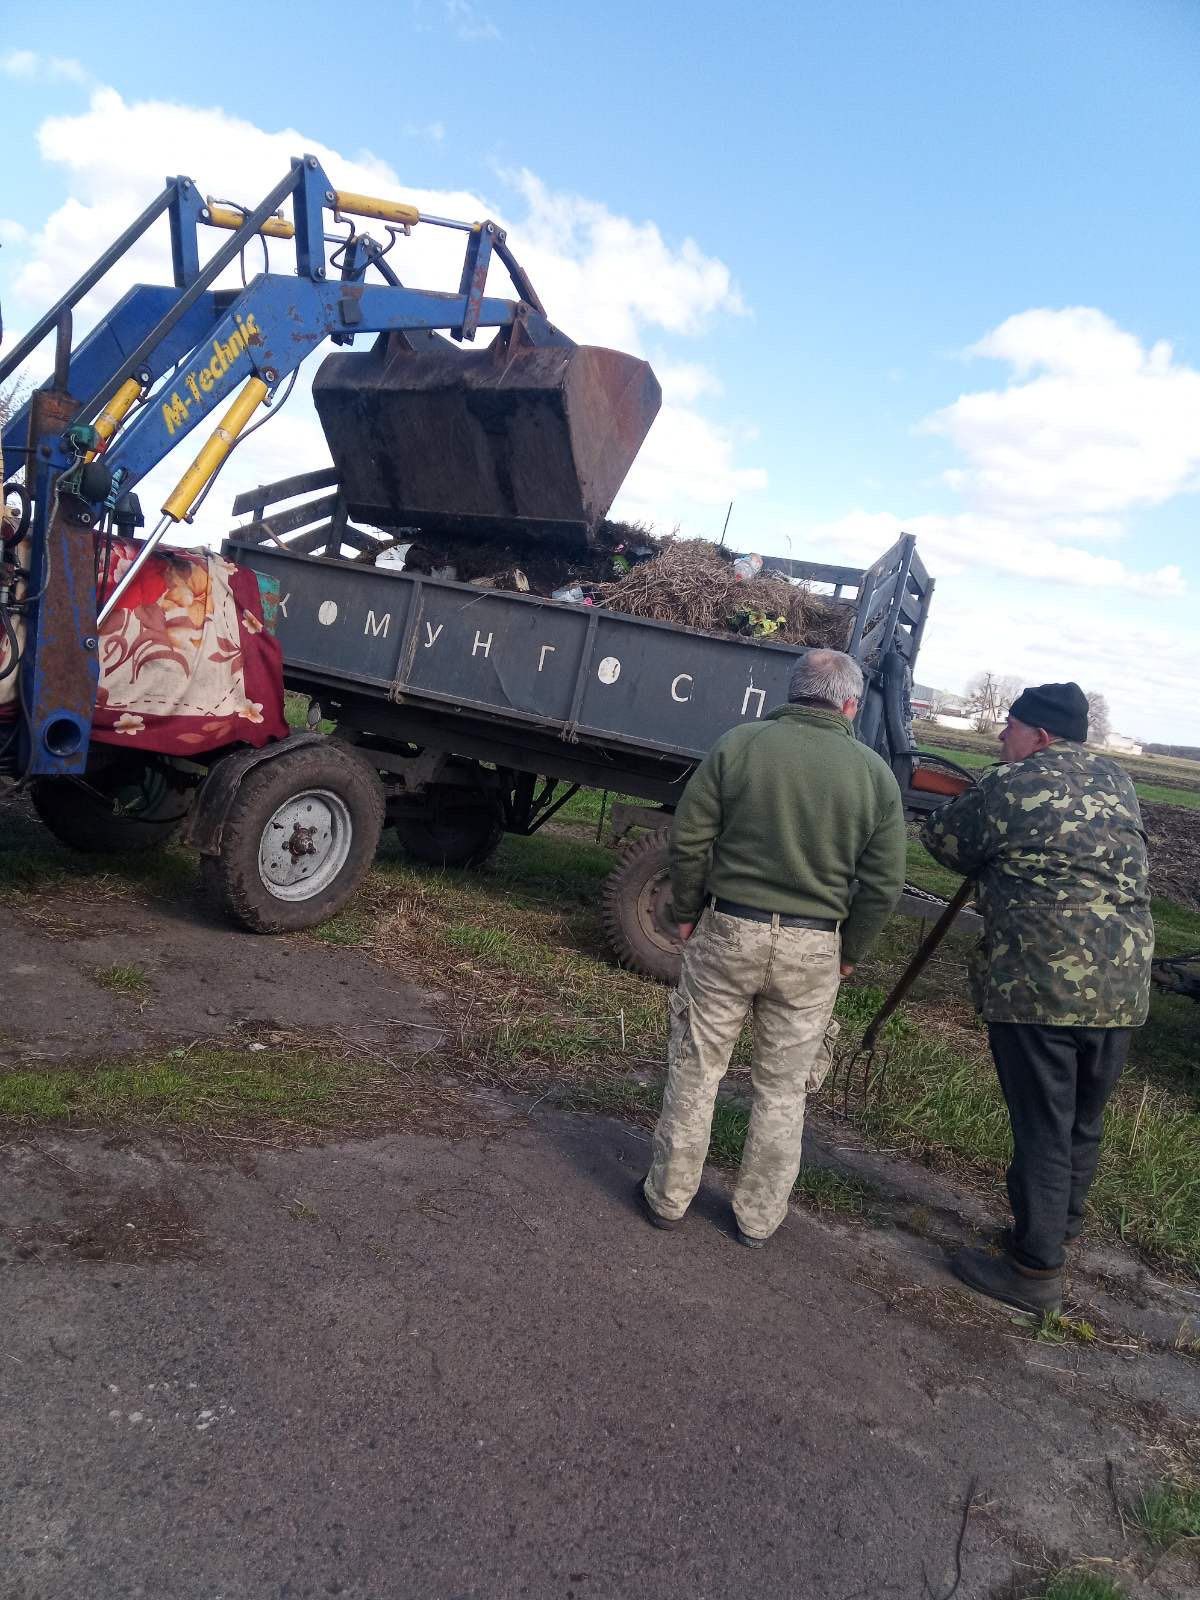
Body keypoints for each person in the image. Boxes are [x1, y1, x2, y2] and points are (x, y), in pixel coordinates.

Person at [638, 649, 907, 1247]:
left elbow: (690, 839)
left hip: (730, 929)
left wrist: (686, 912)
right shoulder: (873, 774)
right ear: (850, 705)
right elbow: (884, 884)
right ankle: (757, 1220)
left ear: (793, 693)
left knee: (696, 1069)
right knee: (784, 1091)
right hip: (814, 947)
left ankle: (668, 1198)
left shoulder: (739, 745)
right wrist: (850, 951)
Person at [920, 682, 1154, 1315]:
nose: (1002, 736)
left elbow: (943, 843)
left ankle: (1034, 1271)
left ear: (1041, 737)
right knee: (1080, 1121)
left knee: (1043, 1126)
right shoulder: (1118, 782)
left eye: (1012, 726)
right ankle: (1053, 1232)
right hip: (1122, 986)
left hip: (1042, 985)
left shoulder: (1012, 782)